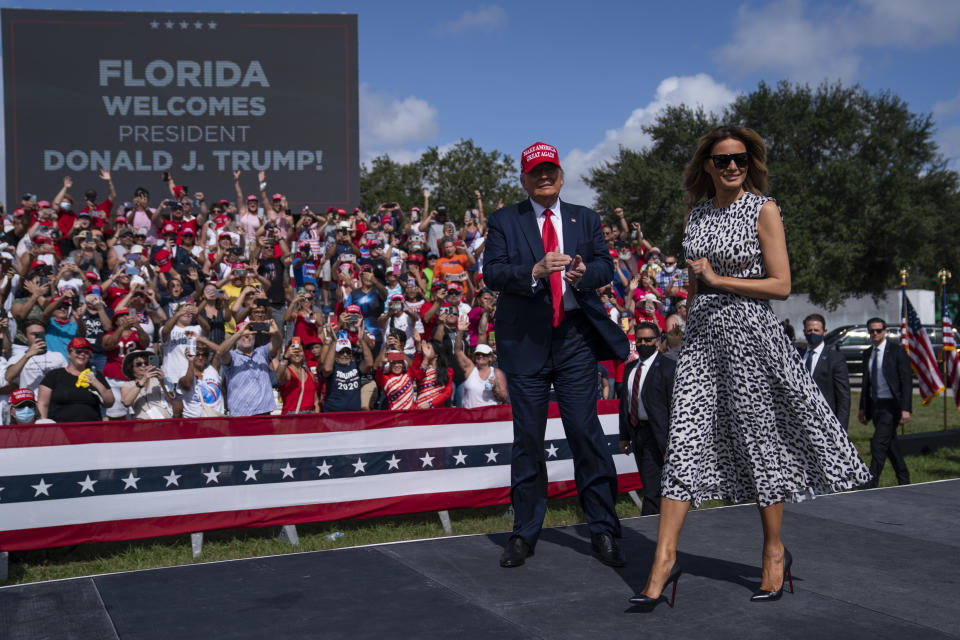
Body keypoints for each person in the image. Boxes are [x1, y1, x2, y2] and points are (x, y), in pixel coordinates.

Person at [632, 126, 871, 611]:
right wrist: (686, 318)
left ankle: (772, 551)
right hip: (702, 339)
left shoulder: (764, 209)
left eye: (740, 158)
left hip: (750, 337)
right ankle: (663, 560)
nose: (732, 167)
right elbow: (698, 282)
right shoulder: (695, 215)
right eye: (722, 160)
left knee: (760, 442)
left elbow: (782, 285)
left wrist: (722, 279)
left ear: (750, 163)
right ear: (707, 166)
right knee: (684, 441)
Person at [483, 141, 630, 569]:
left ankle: (603, 529)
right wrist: (533, 271)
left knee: (585, 433)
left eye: (551, 170)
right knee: (528, 439)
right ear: (524, 179)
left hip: (574, 341)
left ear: (561, 175)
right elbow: (492, 273)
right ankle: (524, 534)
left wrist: (586, 274)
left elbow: (604, 263)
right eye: (536, 172)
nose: (544, 177)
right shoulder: (505, 220)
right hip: (525, 344)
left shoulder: (585, 217)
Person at [617, 322, 676, 515]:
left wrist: (671, 443)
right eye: (639, 340)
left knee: (652, 488)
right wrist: (624, 436)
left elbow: (673, 406)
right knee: (649, 482)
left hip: (657, 434)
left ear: (657, 341)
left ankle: (650, 526)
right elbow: (624, 403)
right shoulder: (630, 369)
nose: (643, 343)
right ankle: (661, 521)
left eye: (648, 340)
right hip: (637, 433)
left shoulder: (668, 367)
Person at [858, 317, 912, 486]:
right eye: (872, 331)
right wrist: (862, 408)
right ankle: (904, 479)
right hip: (876, 406)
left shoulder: (896, 351)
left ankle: (871, 482)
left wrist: (905, 408)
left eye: (878, 330)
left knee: (878, 443)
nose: (875, 333)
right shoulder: (868, 353)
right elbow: (866, 383)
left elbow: (906, 382)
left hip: (892, 406)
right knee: (890, 444)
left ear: (885, 332)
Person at [37, 337, 115, 422]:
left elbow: (109, 403)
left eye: (86, 352)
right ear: (69, 353)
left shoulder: (95, 375)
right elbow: (42, 403)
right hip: (60, 430)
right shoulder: (54, 375)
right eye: (78, 351)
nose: (82, 354)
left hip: (90, 429)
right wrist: (43, 424)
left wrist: (97, 384)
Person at [216, 319, 282, 416]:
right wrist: (239, 333)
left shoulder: (262, 352)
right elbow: (220, 352)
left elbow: (277, 343)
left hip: (264, 413)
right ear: (236, 336)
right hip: (241, 415)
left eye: (250, 332)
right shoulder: (232, 356)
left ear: (254, 335)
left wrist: (276, 333)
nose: (246, 335)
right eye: (243, 332)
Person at [802, 313, 851, 430]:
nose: (812, 333)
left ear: (824, 332)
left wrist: (841, 428)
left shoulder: (835, 358)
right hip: (801, 421)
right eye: (809, 330)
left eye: (816, 330)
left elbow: (843, 396)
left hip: (826, 421)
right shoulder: (797, 356)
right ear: (804, 332)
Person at [454, 316, 508, 408]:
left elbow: (504, 398)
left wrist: (495, 388)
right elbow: (458, 351)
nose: (480, 356)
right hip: (470, 417)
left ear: (490, 358)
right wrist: (460, 331)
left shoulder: (497, 373)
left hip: (489, 417)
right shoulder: (470, 369)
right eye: (478, 354)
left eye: (484, 354)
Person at [119, 349, 175, 420]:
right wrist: (143, 379)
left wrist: (163, 381)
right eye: (139, 364)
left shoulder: (158, 380)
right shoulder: (128, 385)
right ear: (131, 367)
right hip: (142, 424)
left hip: (165, 421)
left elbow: (171, 400)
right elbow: (126, 402)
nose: (143, 365)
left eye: (146, 363)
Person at [277, 340, 319, 414]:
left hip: (310, 416)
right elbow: (279, 377)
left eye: (300, 351)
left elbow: (315, 401)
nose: (297, 353)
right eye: (294, 351)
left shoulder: (310, 374)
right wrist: (285, 358)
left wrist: (317, 417)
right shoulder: (287, 372)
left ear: (303, 354)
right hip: (292, 417)